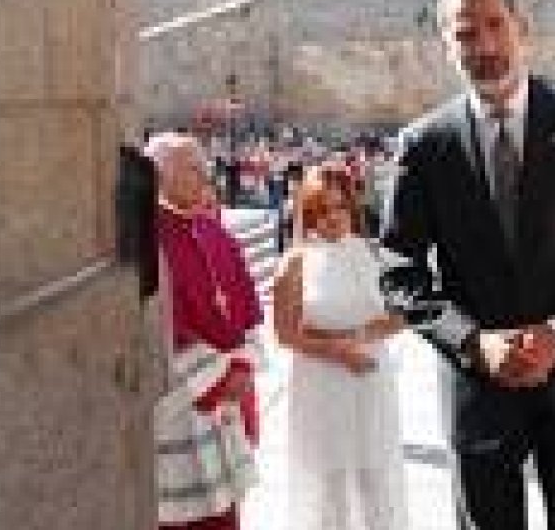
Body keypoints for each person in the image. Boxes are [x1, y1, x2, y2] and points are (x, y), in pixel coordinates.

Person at [379, 0, 555, 529]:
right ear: (448, 47)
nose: (486, 46)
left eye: (496, 26)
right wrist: (474, 343)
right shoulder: (425, 146)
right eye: (466, 34)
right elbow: (399, 270)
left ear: (522, 28)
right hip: (480, 393)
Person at [272, 161, 408, 530]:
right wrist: (337, 351)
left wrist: (358, 339)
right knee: (327, 482)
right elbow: (284, 333)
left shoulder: (374, 255)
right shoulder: (294, 263)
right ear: (308, 213)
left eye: (339, 207)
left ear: (352, 206)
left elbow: (402, 315)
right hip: (321, 382)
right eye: (321, 210)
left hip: (369, 377)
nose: (332, 217)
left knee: (374, 474)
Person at [146, 132, 264, 530]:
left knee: (225, 510)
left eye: (203, 165)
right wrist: (220, 379)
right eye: (192, 168)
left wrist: (244, 365)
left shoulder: (216, 234)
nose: (206, 175)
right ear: (159, 176)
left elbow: (246, 308)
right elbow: (155, 327)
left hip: (224, 406)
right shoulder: (147, 243)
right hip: (180, 406)